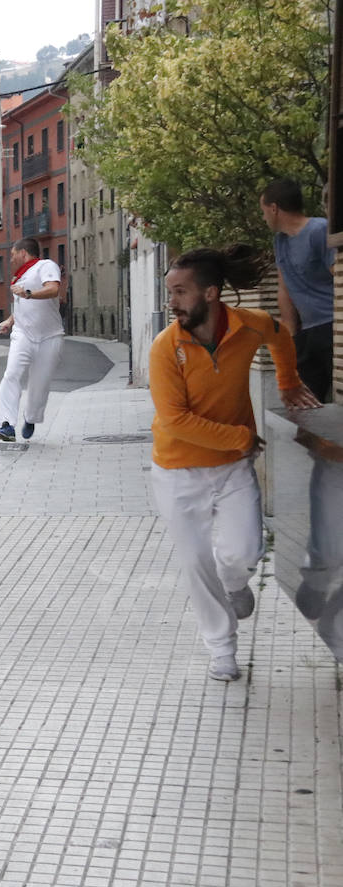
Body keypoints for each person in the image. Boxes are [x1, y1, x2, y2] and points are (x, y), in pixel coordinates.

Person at [149, 245, 322, 681]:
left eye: (179, 292)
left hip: (231, 468)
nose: (171, 303)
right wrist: (242, 437)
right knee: (195, 563)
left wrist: (288, 383)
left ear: (210, 293)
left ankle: (235, 582)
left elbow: (280, 334)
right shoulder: (166, 347)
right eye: (169, 292)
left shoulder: (248, 326)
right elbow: (175, 420)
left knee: (244, 551)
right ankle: (221, 648)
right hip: (177, 471)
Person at [260, 178, 335, 403]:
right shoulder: (279, 241)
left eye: (263, 211)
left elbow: (337, 274)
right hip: (306, 333)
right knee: (305, 403)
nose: (263, 218)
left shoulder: (319, 230)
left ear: (274, 209)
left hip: (333, 326)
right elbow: (284, 288)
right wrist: (290, 335)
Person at [0, 237, 64, 441]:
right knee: (11, 374)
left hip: (50, 336)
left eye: (13, 255)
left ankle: (31, 417)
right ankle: (5, 424)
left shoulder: (45, 266)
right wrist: (9, 321)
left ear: (24, 253)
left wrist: (29, 293)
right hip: (23, 334)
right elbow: (24, 306)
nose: (11, 260)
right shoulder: (18, 278)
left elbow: (53, 289)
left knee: (39, 383)